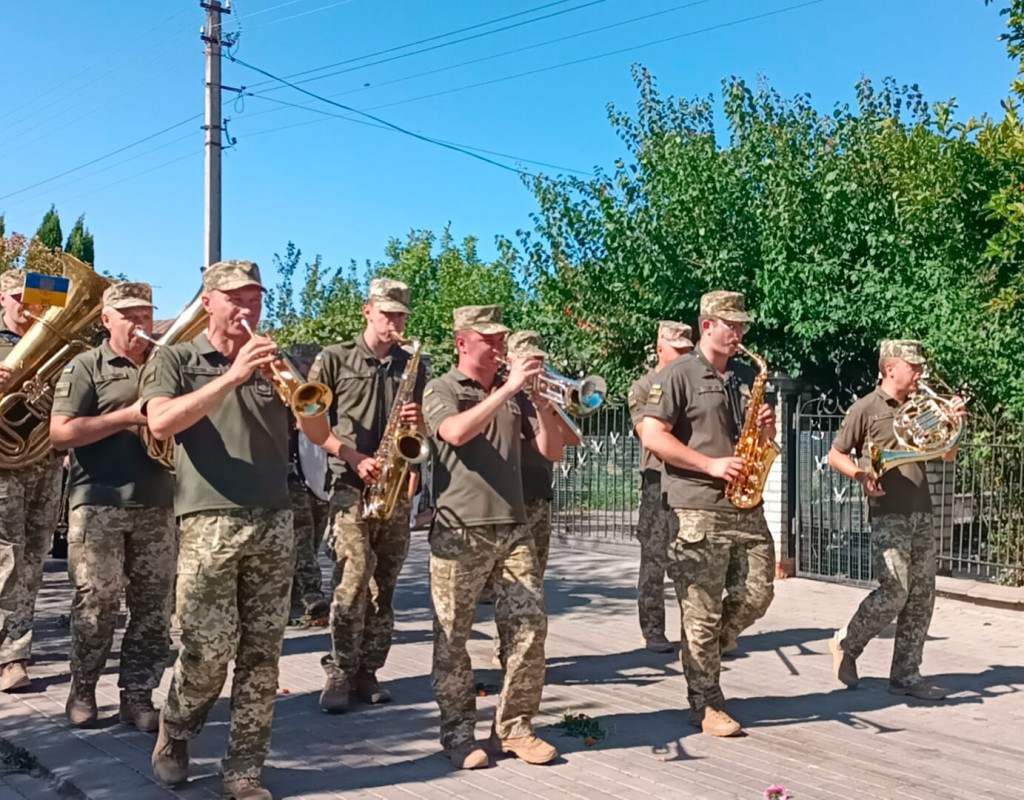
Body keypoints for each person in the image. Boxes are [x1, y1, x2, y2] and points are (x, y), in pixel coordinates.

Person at [141, 260, 293, 800]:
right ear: (209, 302)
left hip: (274, 518)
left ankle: (244, 770)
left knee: (262, 653)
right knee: (208, 650)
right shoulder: (175, 359)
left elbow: (317, 425)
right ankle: (176, 727)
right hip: (208, 519)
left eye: (255, 298)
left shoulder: (278, 363)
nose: (247, 308)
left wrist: (294, 386)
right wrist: (232, 376)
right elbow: (160, 422)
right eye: (236, 298)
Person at [423, 305, 564, 770]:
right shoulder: (441, 388)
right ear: (463, 341)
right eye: (490, 338)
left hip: (514, 526)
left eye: (502, 337)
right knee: (453, 638)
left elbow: (551, 452)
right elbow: (455, 433)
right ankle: (459, 734)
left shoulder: (515, 394)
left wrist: (541, 404)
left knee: (529, 630)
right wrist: (507, 390)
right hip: (460, 530)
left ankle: (515, 727)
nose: (500, 345)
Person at [641, 291, 777, 738]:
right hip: (696, 505)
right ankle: (706, 702)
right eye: (730, 325)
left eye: (742, 326)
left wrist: (765, 430)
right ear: (707, 326)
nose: (738, 333)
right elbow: (653, 436)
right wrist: (710, 465)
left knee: (758, 593)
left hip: (743, 503)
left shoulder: (739, 379)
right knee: (699, 610)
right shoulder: (679, 374)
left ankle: (706, 654)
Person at [49, 282, 176, 730]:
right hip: (99, 501)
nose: (140, 324)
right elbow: (60, 433)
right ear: (107, 320)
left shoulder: (167, 365)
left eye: (145, 315)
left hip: (159, 502)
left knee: (154, 607)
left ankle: (138, 696)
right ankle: (83, 691)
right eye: (129, 316)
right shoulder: (86, 366)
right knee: (96, 602)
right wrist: (126, 416)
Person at [297, 279, 426, 713]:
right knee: (351, 582)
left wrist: (419, 421)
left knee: (383, 587)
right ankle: (338, 668)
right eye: (387, 314)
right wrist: (349, 455)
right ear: (367, 311)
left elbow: (419, 434)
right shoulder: (334, 358)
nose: (394, 323)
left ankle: (368, 670)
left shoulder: (412, 364)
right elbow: (309, 422)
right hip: (349, 485)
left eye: (401, 316)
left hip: (391, 486)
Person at [826, 340, 965, 701]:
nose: (920, 373)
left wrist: (954, 422)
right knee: (896, 591)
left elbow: (947, 453)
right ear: (891, 369)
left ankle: (905, 676)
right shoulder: (866, 409)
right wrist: (859, 475)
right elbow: (835, 455)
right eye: (913, 367)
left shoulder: (920, 407)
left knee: (922, 596)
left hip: (921, 509)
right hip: (887, 511)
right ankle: (848, 641)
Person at [0, 268, 64, 693]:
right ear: (3, 300)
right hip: (4, 465)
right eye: (19, 297)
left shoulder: (59, 347)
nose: (29, 305)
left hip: (46, 462)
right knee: (6, 558)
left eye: (36, 298)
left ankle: (15, 639)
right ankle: (12, 655)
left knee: (34, 559)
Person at [627, 321, 693, 653]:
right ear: (659, 349)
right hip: (657, 481)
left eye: (687, 352)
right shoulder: (643, 388)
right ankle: (653, 630)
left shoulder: (692, 383)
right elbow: (647, 435)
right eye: (677, 351)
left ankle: (696, 632)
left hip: (689, 481)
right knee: (654, 559)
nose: (683, 357)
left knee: (691, 560)